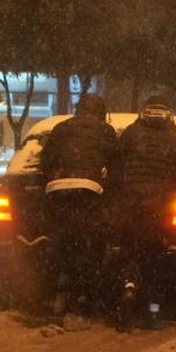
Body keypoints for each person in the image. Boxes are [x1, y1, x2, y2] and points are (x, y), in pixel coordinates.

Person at [109, 95, 176, 331]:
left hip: (129, 204)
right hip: (159, 207)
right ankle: (152, 312)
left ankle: (128, 288)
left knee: (129, 251)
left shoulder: (130, 134)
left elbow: (115, 167)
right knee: (154, 258)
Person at [38, 94, 118, 318]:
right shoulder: (106, 131)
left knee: (62, 240)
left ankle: (56, 292)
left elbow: (45, 161)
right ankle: (82, 298)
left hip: (57, 191)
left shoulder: (60, 128)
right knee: (87, 245)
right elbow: (116, 165)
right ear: (101, 113)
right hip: (88, 191)